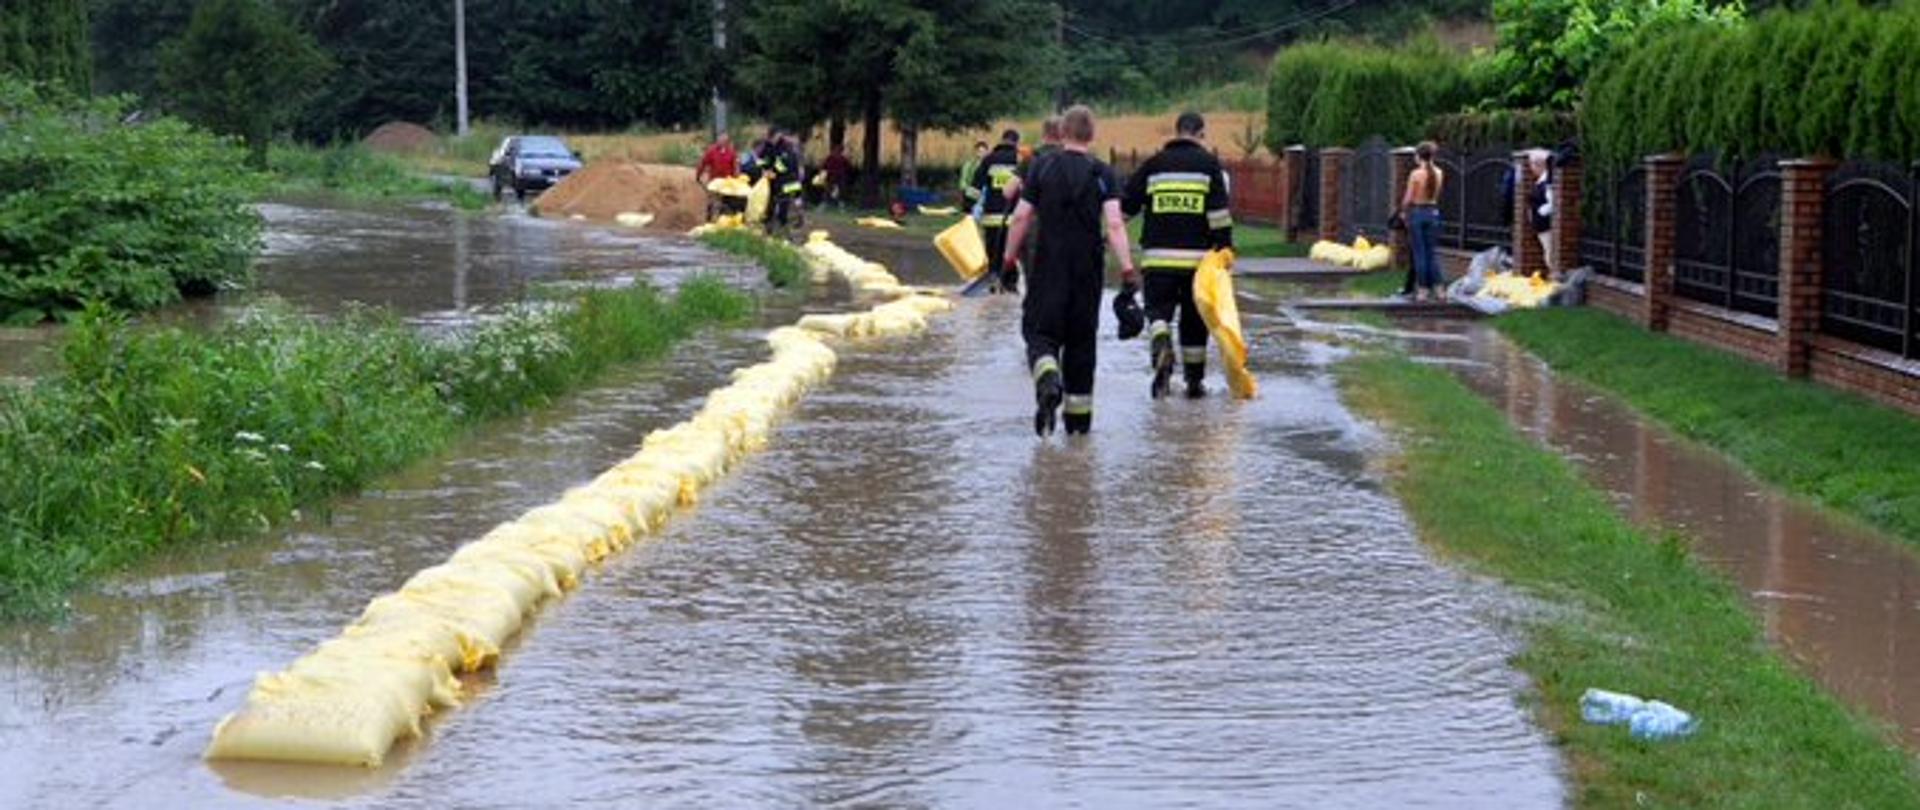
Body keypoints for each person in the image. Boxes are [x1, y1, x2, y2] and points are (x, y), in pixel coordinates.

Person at [1003, 105, 1138, 436]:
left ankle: (1048, 375)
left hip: (1047, 266)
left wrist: (1007, 260)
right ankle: (1078, 430)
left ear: (1063, 133)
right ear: (1092, 135)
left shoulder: (1041, 167)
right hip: (1087, 271)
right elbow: (1115, 224)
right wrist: (1127, 269)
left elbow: (1021, 217)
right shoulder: (1102, 172)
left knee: (1039, 333)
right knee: (1081, 345)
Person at [1121, 111, 1233, 400]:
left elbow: (1126, 208)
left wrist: (1112, 236)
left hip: (1158, 260)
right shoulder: (1209, 165)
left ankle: (1160, 340)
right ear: (1200, 134)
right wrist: (1224, 249)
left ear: (1177, 131)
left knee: (1158, 312)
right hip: (1197, 264)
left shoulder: (1154, 164)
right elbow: (1219, 216)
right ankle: (1194, 383)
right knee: (1194, 322)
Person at [972, 129, 1023, 294]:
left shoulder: (989, 160)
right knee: (1011, 253)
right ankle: (1010, 284)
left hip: (991, 217)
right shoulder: (1020, 160)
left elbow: (975, 187)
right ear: (1016, 142)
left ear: (1002, 140)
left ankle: (993, 279)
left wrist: (967, 207)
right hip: (1014, 217)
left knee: (993, 251)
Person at [1400, 141, 1446, 302]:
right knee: (1431, 253)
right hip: (1433, 212)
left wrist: (1403, 212)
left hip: (1418, 212)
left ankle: (1423, 291)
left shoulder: (1415, 174)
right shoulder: (1439, 173)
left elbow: (1408, 198)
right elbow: (1436, 195)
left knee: (1419, 254)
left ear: (1419, 156)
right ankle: (1440, 291)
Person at [1528, 149, 1556, 277]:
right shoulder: (1540, 181)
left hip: (1545, 225)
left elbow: (1552, 203)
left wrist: (1540, 212)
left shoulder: (1546, 182)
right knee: (1547, 252)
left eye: (1532, 165)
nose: (1531, 168)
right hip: (1540, 225)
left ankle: (1554, 278)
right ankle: (1552, 276)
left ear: (1540, 165)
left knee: (1550, 254)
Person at [821, 143, 853, 210]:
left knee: (832, 191)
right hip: (836, 177)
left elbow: (824, 167)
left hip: (835, 177)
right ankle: (838, 206)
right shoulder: (840, 158)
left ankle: (827, 205)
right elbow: (849, 167)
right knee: (835, 191)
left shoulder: (832, 158)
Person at [960, 141, 988, 209]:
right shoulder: (969, 164)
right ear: (975, 152)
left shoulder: (989, 164)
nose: (981, 154)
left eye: (983, 152)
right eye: (979, 151)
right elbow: (963, 183)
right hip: (972, 191)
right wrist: (970, 190)